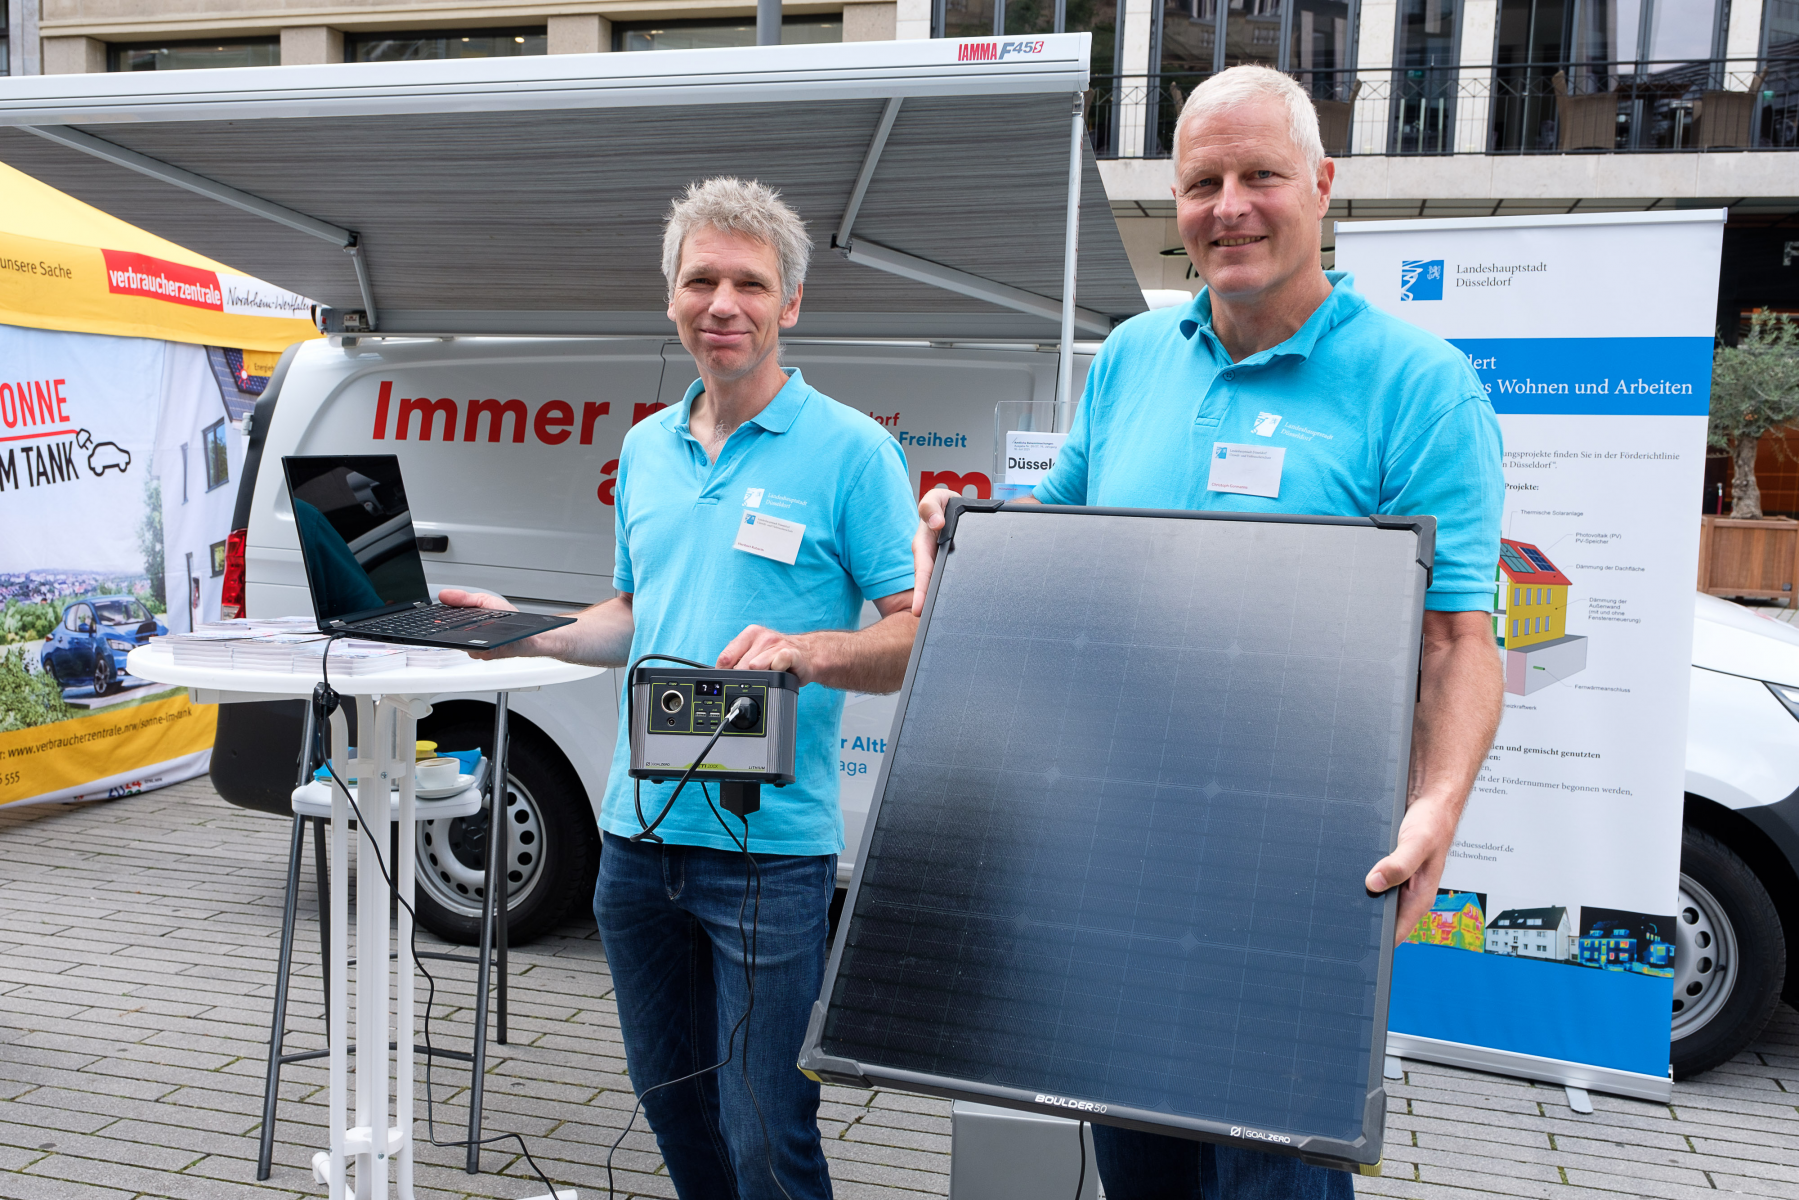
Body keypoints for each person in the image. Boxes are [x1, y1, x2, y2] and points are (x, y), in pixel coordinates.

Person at [912, 65, 1504, 1199]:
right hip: (1113, 860)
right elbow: (1063, 535)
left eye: (1258, 176)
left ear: (1322, 186)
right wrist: (974, 525)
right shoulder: (1132, 358)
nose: (1227, 206)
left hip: (1295, 875)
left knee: (1269, 1184)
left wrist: (1436, 805)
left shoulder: (1419, 388)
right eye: (1201, 183)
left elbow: (1455, 643)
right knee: (1140, 1173)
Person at [443, 177, 920, 1200]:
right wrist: (520, 632)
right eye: (700, 280)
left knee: (765, 1131)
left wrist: (808, 652)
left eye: (748, 283)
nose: (723, 303)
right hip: (635, 842)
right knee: (672, 1105)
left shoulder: (851, 451)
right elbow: (633, 614)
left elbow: (915, 635)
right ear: (669, 297)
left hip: (768, 856)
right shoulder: (647, 450)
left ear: (789, 303)